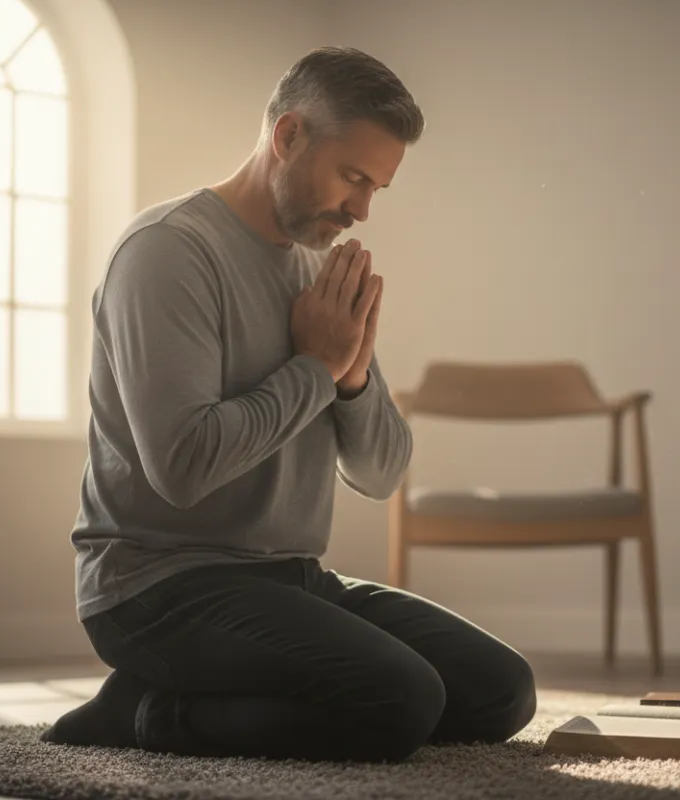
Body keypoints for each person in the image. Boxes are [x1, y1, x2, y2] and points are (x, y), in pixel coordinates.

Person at [41, 46, 537, 763]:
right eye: (354, 178)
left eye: (378, 190)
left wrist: (353, 378)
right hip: (157, 589)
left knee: (502, 691)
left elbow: (380, 473)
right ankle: (149, 712)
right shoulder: (166, 254)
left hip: (290, 578)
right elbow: (182, 469)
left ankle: (191, 696)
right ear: (287, 137)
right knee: (403, 701)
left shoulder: (320, 271)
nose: (362, 210)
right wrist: (313, 367)